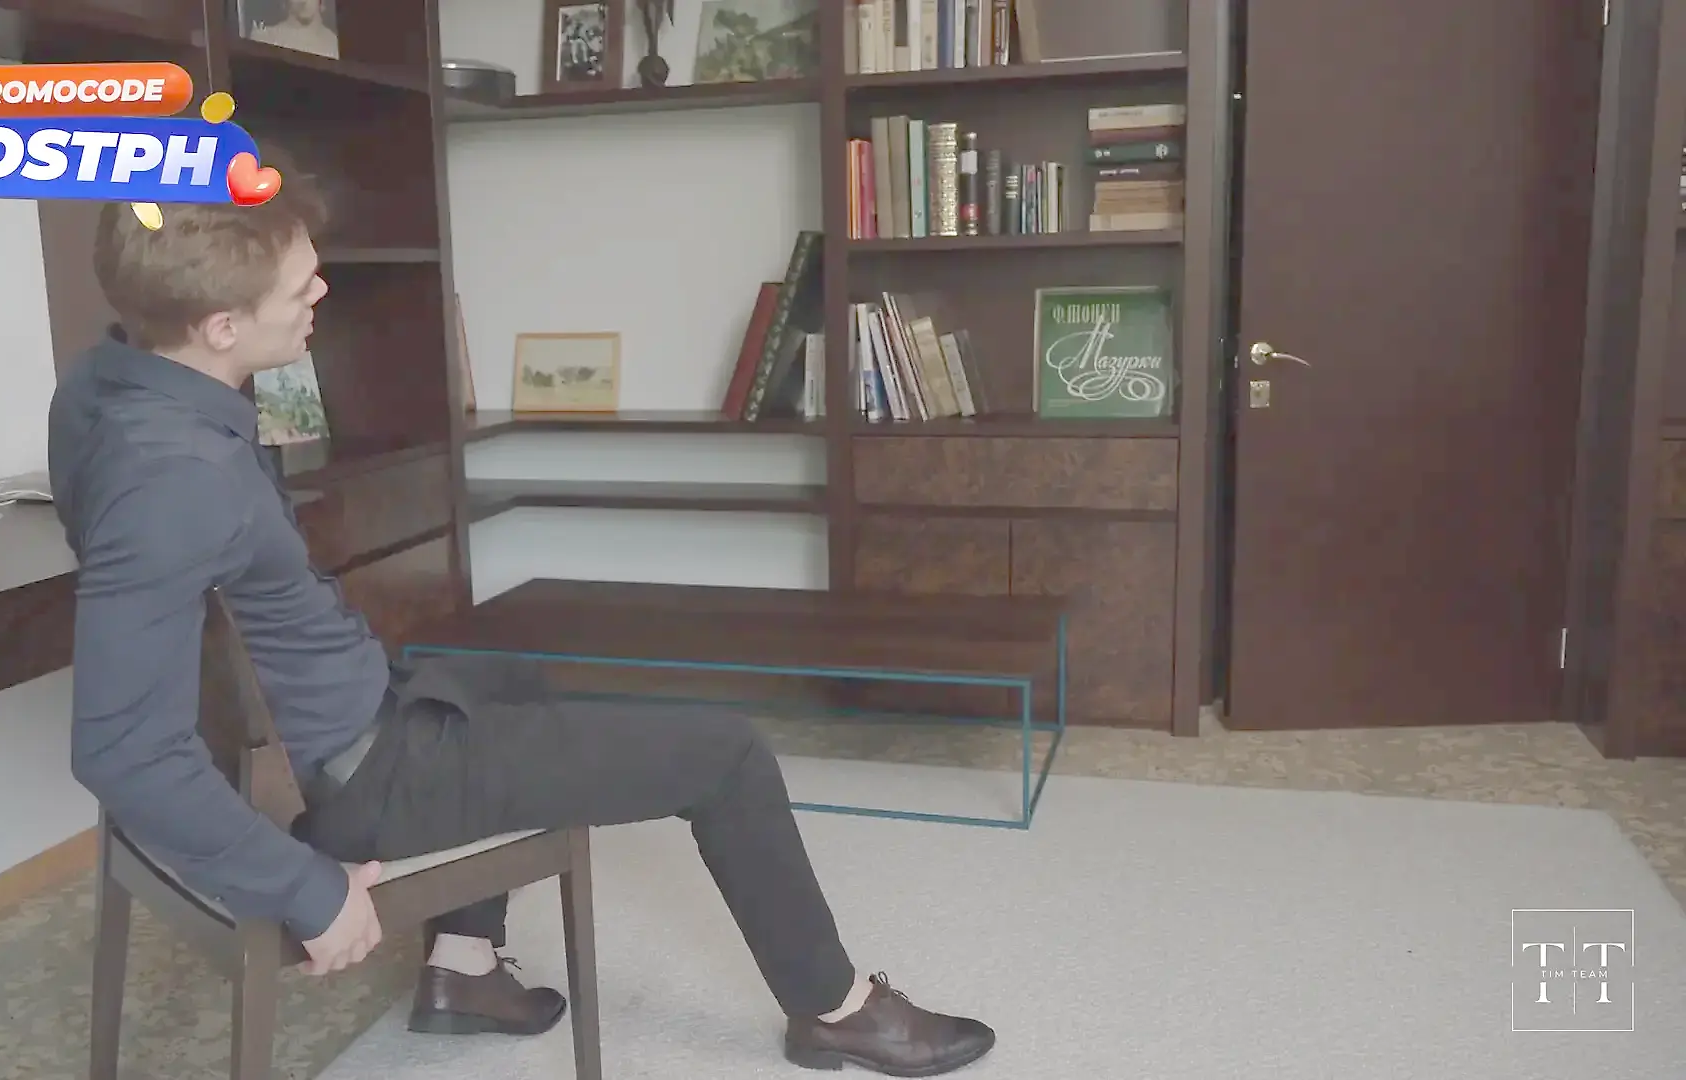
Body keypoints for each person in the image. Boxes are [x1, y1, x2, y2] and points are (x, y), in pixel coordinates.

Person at [49, 184, 996, 1077]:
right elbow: (124, 750)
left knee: (499, 666)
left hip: (345, 720)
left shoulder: (105, 388)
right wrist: (305, 887)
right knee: (728, 754)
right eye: (299, 288)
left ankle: (463, 969)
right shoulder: (176, 481)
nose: (321, 293)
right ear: (219, 326)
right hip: (364, 778)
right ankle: (835, 1007)